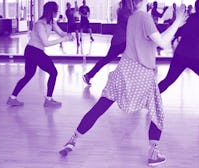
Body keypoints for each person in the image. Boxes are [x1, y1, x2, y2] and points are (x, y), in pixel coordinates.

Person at [59, 0, 187, 166]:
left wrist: (175, 24)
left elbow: (154, 39)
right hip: (141, 72)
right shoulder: (145, 17)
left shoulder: (133, 16)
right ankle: (153, 153)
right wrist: (176, 22)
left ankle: (72, 140)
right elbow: (162, 43)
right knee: (157, 112)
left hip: (123, 69)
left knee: (100, 107)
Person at [6, 1, 73, 107]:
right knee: (53, 72)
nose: (57, 13)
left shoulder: (51, 22)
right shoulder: (40, 24)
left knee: (28, 75)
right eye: (56, 10)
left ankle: (12, 98)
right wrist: (64, 39)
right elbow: (45, 43)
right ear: (51, 11)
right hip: (33, 51)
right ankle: (48, 100)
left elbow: (60, 33)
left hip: (34, 51)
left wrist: (68, 35)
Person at [82, 0, 132, 85]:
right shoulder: (126, 12)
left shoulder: (122, 9)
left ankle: (89, 75)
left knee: (108, 59)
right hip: (122, 41)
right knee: (128, 60)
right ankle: (89, 75)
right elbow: (130, 25)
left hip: (119, 40)